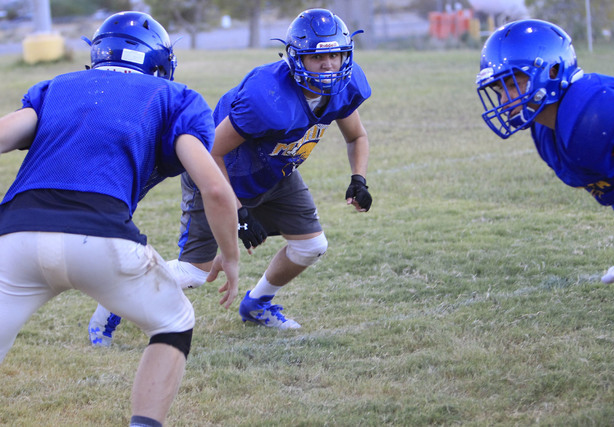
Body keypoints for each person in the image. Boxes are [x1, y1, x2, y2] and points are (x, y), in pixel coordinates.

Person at [0, 11, 240, 427]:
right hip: (101, 236)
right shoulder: (174, 97)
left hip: (15, 236)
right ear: (160, 63)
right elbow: (215, 189)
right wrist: (231, 257)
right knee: (173, 321)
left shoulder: (58, 86)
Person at [88, 7, 372, 339]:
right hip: (216, 172)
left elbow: (356, 136)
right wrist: (237, 212)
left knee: (311, 246)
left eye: (336, 55)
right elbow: (212, 151)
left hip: (274, 171)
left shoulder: (343, 87)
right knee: (195, 271)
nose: (329, 65)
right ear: (297, 58)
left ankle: (257, 304)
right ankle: (115, 295)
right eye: (317, 58)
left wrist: (358, 178)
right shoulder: (266, 96)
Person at [475, 18, 614, 380]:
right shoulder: (544, 129)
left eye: (514, 83)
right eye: (500, 88)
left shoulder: (598, 110)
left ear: (551, 70)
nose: (505, 99)